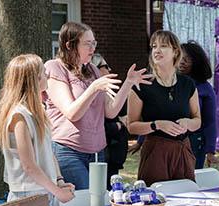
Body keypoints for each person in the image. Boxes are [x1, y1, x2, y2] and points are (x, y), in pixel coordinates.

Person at [45, 22, 151, 189]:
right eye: (87, 43)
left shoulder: (93, 70)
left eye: (94, 43)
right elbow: (72, 113)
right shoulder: (55, 68)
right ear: (69, 45)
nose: (92, 48)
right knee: (85, 203)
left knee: (99, 203)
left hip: (97, 152)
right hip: (68, 151)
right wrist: (94, 88)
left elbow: (110, 111)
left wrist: (128, 83)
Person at [0, 54, 76, 206]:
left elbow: (47, 150)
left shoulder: (37, 112)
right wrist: (58, 191)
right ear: (34, 79)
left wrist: (58, 180)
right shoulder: (19, 116)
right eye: (43, 72)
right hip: (27, 195)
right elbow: (28, 165)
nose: (47, 75)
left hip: (46, 190)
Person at [127, 30, 201, 186]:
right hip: (155, 153)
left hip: (182, 151)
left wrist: (188, 123)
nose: (157, 50)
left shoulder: (187, 84)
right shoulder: (142, 84)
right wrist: (157, 125)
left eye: (163, 46)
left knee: (187, 200)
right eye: (154, 46)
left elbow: (197, 120)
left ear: (175, 51)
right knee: (155, 202)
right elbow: (131, 126)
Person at [91, 53, 129, 186]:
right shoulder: (91, 95)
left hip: (115, 155)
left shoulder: (111, 91)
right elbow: (95, 124)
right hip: (102, 154)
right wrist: (118, 125)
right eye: (105, 66)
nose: (109, 70)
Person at [179, 40, 217, 169]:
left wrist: (210, 150)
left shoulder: (205, 89)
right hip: (170, 141)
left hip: (195, 143)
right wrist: (141, 140)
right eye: (179, 57)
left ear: (197, 62)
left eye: (187, 59)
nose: (182, 62)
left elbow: (210, 121)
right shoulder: (169, 84)